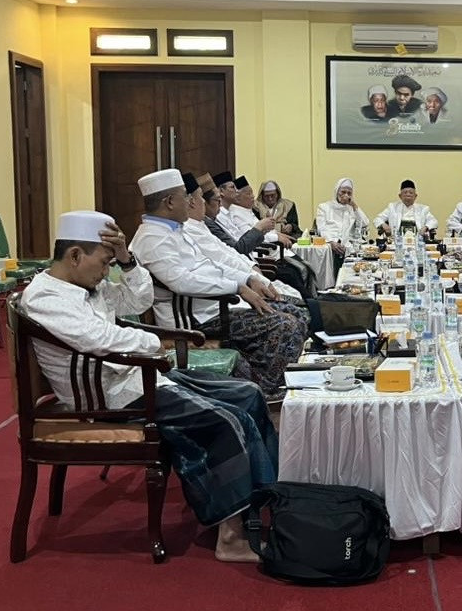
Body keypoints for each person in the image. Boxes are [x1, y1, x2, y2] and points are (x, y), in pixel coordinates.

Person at [20, 210, 276, 563]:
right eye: (105, 261)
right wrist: (154, 345)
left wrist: (126, 261)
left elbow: (138, 302)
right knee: (225, 420)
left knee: (247, 394)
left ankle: (265, 500)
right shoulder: (46, 298)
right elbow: (102, 339)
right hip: (109, 397)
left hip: (139, 378)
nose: (106, 270)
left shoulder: (85, 284)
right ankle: (230, 538)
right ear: (76, 256)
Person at [129, 169, 309, 400]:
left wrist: (247, 279)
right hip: (194, 322)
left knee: (293, 313)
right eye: (186, 196)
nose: (192, 201)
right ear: (170, 202)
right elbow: (183, 281)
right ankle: (268, 392)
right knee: (286, 325)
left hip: (213, 309)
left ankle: (264, 385)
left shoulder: (175, 230)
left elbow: (211, 264)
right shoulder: (152, 238)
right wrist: (237, 287)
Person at [181, 173, 305, 304]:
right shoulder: (199, 225)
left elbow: (228, 251)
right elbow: (228, 255)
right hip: (226, 295)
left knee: (297, 282)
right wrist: (249, 278)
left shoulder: (203, 223)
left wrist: (252, 270)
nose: (203, 203)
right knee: (293, 295)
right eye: (201, 197)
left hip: (246, 272)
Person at [315, 177, 371, 263]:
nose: (346, 195)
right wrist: (331, 242)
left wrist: (354, 206)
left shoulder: (351, 208)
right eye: (343, 192)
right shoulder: (324, 207)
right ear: (337, 192)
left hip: (347, 248)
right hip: (329, 246)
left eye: (349, 193)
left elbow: (365, 223)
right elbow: (321, 228)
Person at [373, 179, 438, 241]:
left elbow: (434, 221)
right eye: (405, 192)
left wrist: (426, 227)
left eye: (411, 192)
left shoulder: (423, 209)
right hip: (397, 241)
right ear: (400, 196)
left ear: (415, 196)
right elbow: (377, 219)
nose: (408, 194)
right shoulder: (392, 207)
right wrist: (384, 225)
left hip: (418, 241)